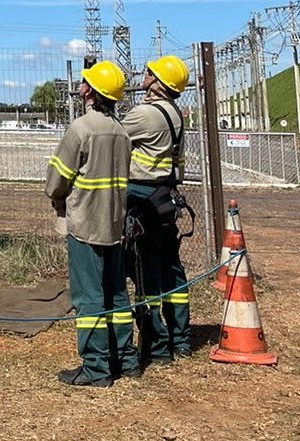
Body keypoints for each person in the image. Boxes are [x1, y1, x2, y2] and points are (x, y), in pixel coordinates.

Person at [45, 60, 139, 388]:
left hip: (85, 224)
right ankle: (125, 358)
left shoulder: (81, 129)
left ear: (90, 92)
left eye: (85, 82)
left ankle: (96, 367)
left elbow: (56, 181)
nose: (81, 86)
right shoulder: (121, 130)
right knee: (116, 293)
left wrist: (57, 195)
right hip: (114, 225)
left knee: (88, 296)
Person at [123, 54, 192, 365]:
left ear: (158, 82)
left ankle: (157, 344)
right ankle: (181, 339)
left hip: (143, 197)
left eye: (148, 73)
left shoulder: (145, 115)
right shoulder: (175, 114)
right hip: (166, 195)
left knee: (145, 270)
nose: (143, 76)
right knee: (171, 269)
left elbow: (111, 137)